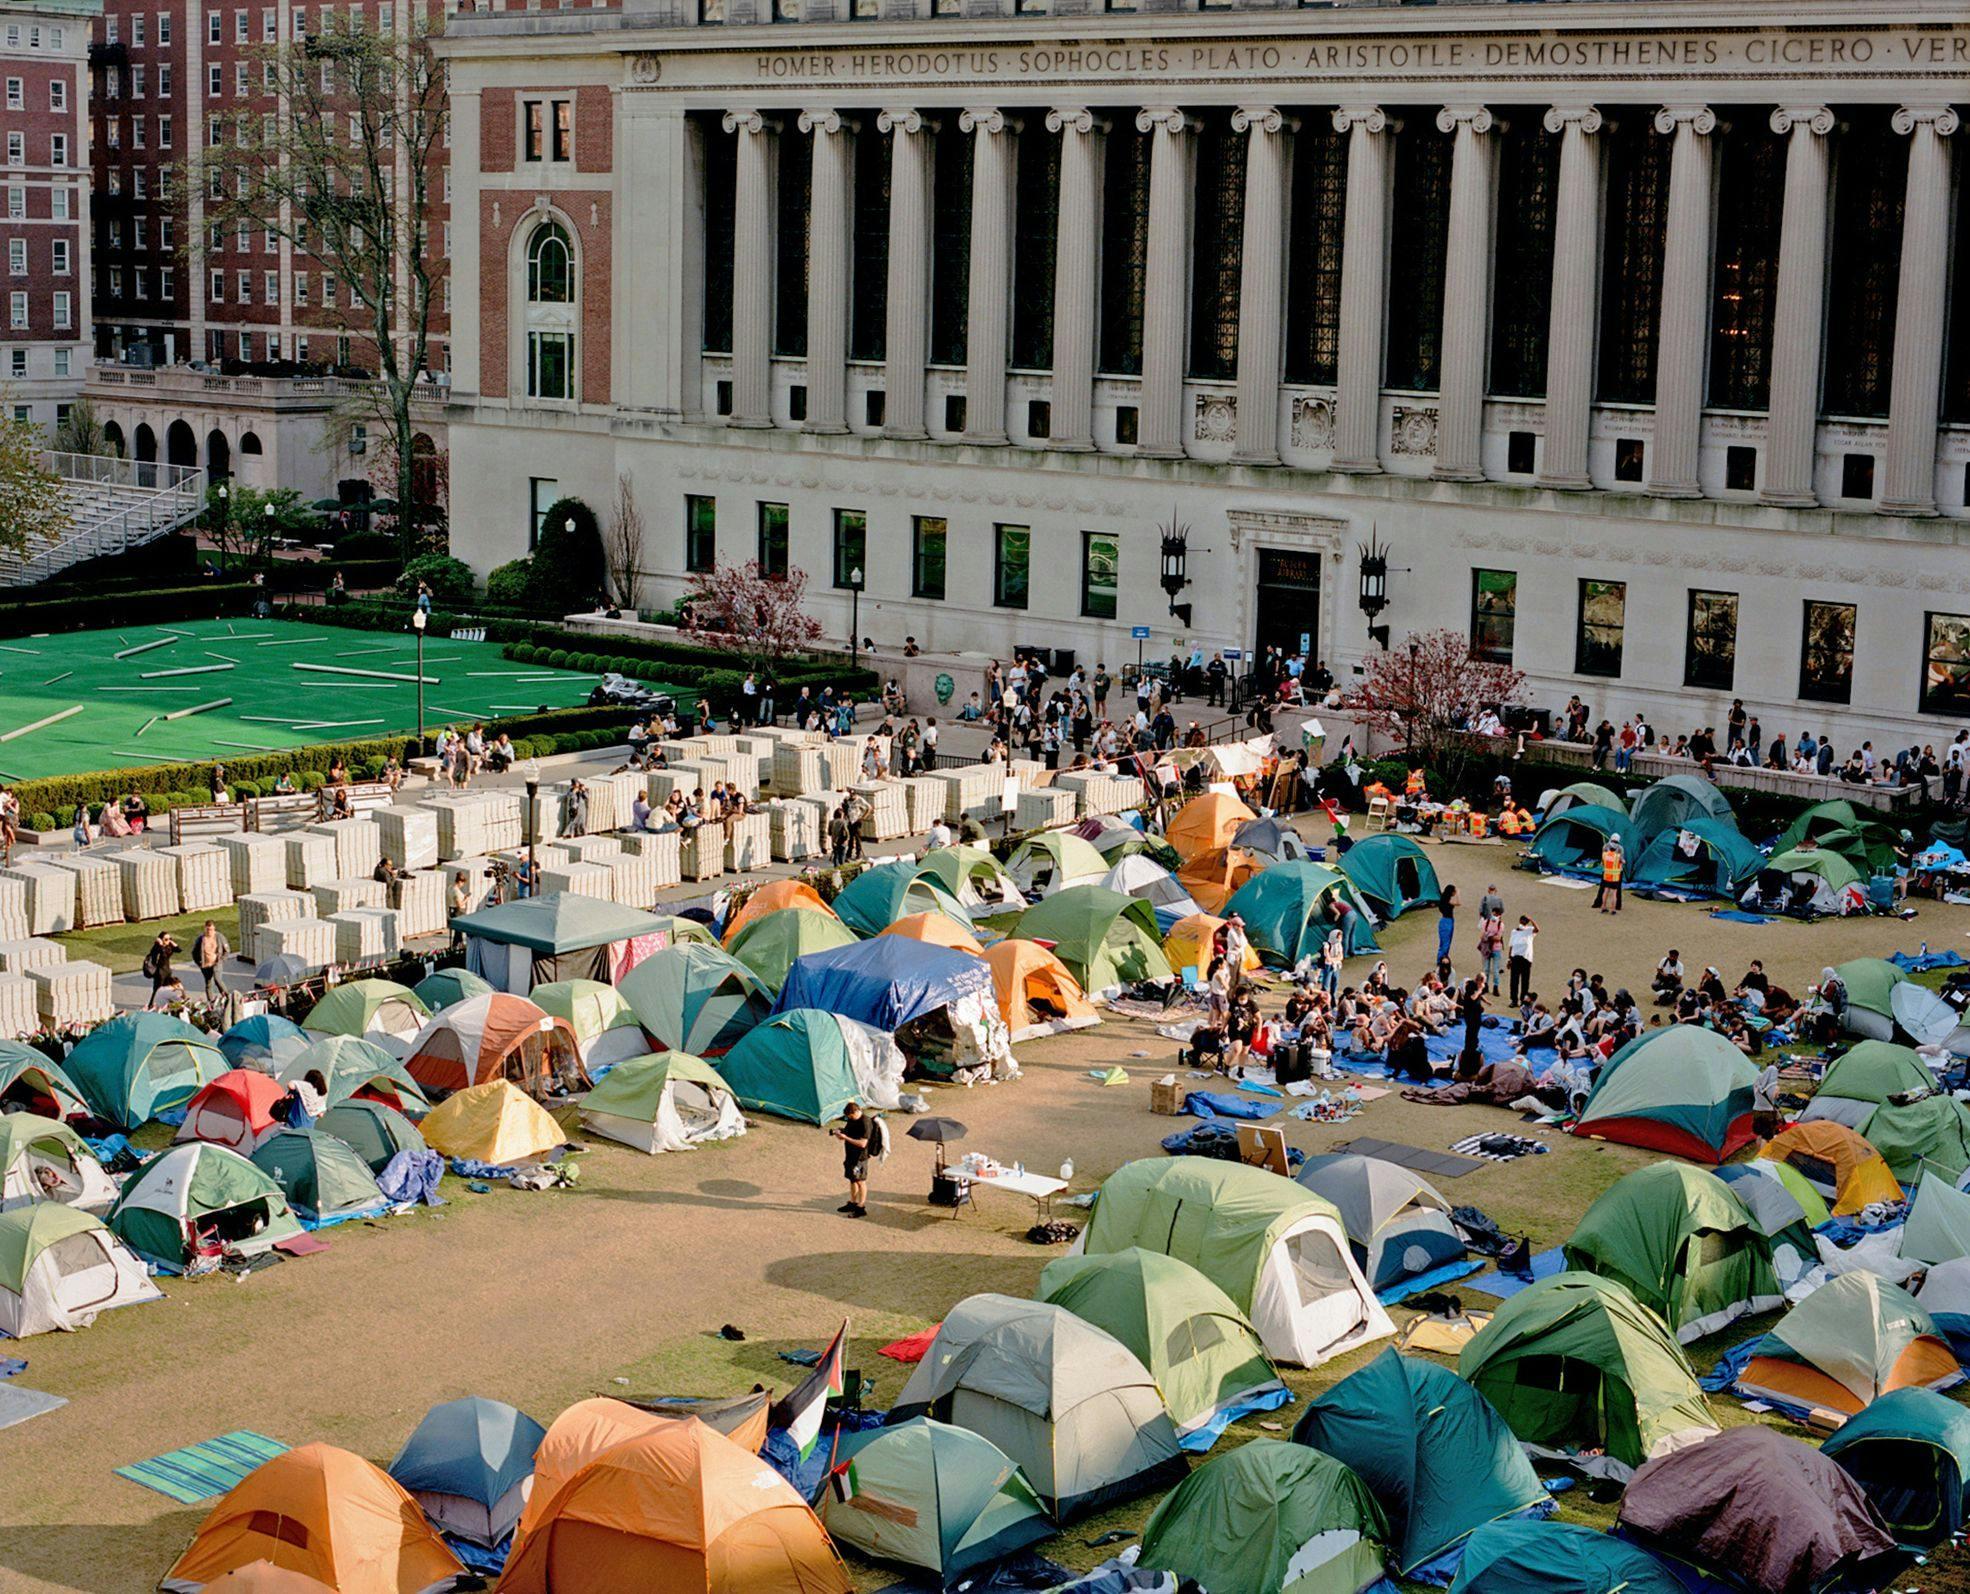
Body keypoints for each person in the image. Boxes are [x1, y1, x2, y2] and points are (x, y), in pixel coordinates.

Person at [832, 1102, 874, 1218]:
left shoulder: (866, 1122)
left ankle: (861, 1207)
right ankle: (853, 1203)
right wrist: (839, 1132)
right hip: (850, 1155)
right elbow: (848, 1132)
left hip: (860, 1158)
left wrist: (845, 1138)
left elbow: (862, 1143)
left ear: (856, 1111)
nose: (850, 1119)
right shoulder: (852, 1119)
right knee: (852, 1179)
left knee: (860, 1181)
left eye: (850, 1116)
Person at [1456, 977, 1487, 1080]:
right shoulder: (1470, 996)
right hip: (1472, 1017)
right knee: (1471, 1032)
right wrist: (1480, 989)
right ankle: (1471, 1044)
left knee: (1471, 1032)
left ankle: (1472, 1042)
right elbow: (1475, 997)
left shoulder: (1470, 995)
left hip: (1472, 1017)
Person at [192, 919, 230, 1001]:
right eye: (208, 929)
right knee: (209, 983)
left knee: (217, 980)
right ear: (204, 928)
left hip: (216, 963)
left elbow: (227, 950)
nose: (209, 931)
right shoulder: (201, 939)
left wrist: (222, 960)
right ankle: (211, 1001)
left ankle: (227, 997)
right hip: (205, 965)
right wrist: (199, 963)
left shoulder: (219, 937)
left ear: (214, 929)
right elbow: (194, 952)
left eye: (211, 929)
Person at [1506, 914, 1538, 1007]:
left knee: (1525, 981)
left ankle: (1523, 1000)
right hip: (1515, 958)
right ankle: (1514, 1000)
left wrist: (1531, 919)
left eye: (1525, 921)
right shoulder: (1514, 932)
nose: (1523, 923)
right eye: (1522, 920)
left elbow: (1537, 929)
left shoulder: (1529, 931)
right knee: (1514, 981)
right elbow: (1511, 945)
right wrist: (1509, 959)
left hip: (1526, 959)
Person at [143, 930, 178, 1006]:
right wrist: (161, 945)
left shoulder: (169, 947)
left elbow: (179, 950)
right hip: (159, 972)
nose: (168, 941)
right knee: (157, 989)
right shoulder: (157, 948)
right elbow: (163, 955)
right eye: (166, 939)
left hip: (167, 971)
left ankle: (166, 1003)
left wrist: (173, 943)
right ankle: (151, 1004)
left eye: (169, 939)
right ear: (161, 939)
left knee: (168, 988)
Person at [1594, 833, 1625, 913]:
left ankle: (1601, 905)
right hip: (1616, 874)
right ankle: (1615, 908)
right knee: (1615, 892)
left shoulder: (1605, 847)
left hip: (1606, 872)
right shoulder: (1620, 849)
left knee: (1604, 889)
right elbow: (1622, 861)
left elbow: (1603, 860)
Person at [1477, 908, 1504, 996]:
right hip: (1487, 949)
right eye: (1493, 914)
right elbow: (1481, 935)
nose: (1494, 916)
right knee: (1486, 969)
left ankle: (1496, 987)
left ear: (1499, 915)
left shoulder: (1501, 924)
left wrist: (1487, 936)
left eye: (1496, 915)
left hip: (1496, 949)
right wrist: (1492, 936)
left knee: (1496, 970)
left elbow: (1498, 938)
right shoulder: (1486, 922)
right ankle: (1485, 986)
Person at [1435, 883, 1459, 966]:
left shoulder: (1444, 899)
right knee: (1446, 941)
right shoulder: (1448, 900)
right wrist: (1458, 894)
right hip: (1447, 921)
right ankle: (1441, 958)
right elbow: (1458, 903)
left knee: (1446, 941)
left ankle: (1444, 956)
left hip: (1447, 920)